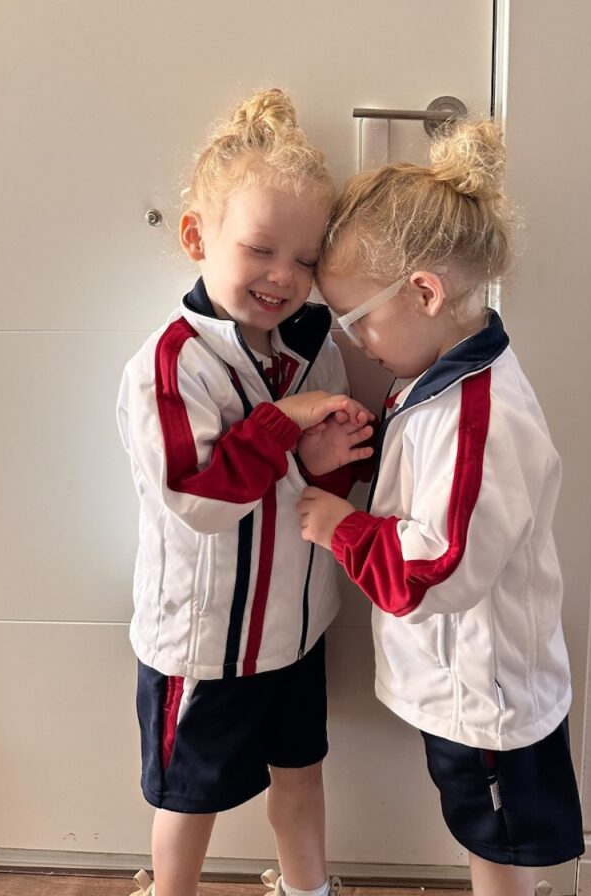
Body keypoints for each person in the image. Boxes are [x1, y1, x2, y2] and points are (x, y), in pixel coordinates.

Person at [298, 119, 585, 896]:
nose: (355, 345)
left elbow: (436, 568)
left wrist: (340, 528)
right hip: (466, 675)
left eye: (358, 322)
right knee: (483, 828)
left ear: (423, 292)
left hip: (482, 687)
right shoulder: (438, 381)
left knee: (495, 837)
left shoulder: (477, 419)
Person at [118, 89, 371, 896]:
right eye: (261, 249)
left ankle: (307, 887)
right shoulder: (173, 363)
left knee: (301, 773)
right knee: (188, 797)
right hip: (205, 638)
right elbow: (196, 495)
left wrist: (325, 452)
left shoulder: (311, 347)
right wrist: (281, 420)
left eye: (304, 260)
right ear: (197, 235)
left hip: (295, 628)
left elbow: (318, 482)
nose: (283, 277)